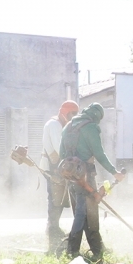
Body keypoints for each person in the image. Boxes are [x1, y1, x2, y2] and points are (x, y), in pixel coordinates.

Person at [59, 103, 125, 261]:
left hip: (70, 177)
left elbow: (62, 153)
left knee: (84, 212)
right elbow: (99, 153)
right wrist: (114, 172)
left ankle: (97, 248)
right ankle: (72, 250)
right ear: (97, 117)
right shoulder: (91, 127)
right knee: (85, 213)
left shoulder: (68, 126)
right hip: (86, 176)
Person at [39, 100, 79, 255]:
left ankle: (54, 227)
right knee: (55, 199)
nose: (73, 116)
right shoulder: (54, 125)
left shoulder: (63, 124)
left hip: (58, 166)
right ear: (64, 112)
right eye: (71, 114)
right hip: (52, 166)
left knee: (60, 199)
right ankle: (53, 228)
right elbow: (58, 147)